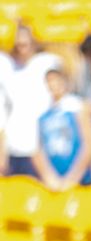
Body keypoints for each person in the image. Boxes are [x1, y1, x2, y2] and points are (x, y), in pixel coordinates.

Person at [0, 23, 61, 177]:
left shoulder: (48, 61)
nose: (21, 48)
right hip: (14, 148)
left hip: (44, 146)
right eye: (18, 44)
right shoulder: (7, 67)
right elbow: (4, 113)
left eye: (25, 44)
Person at [32, 63, 91, 189]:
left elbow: (89, 144)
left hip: (80, 180)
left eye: (57, 80)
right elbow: (38, 149)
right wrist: (48, 177)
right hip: (54, 180)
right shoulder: (44, 112)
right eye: (50, 81)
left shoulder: (76, 106)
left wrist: (73, 177)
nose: (54, 84)